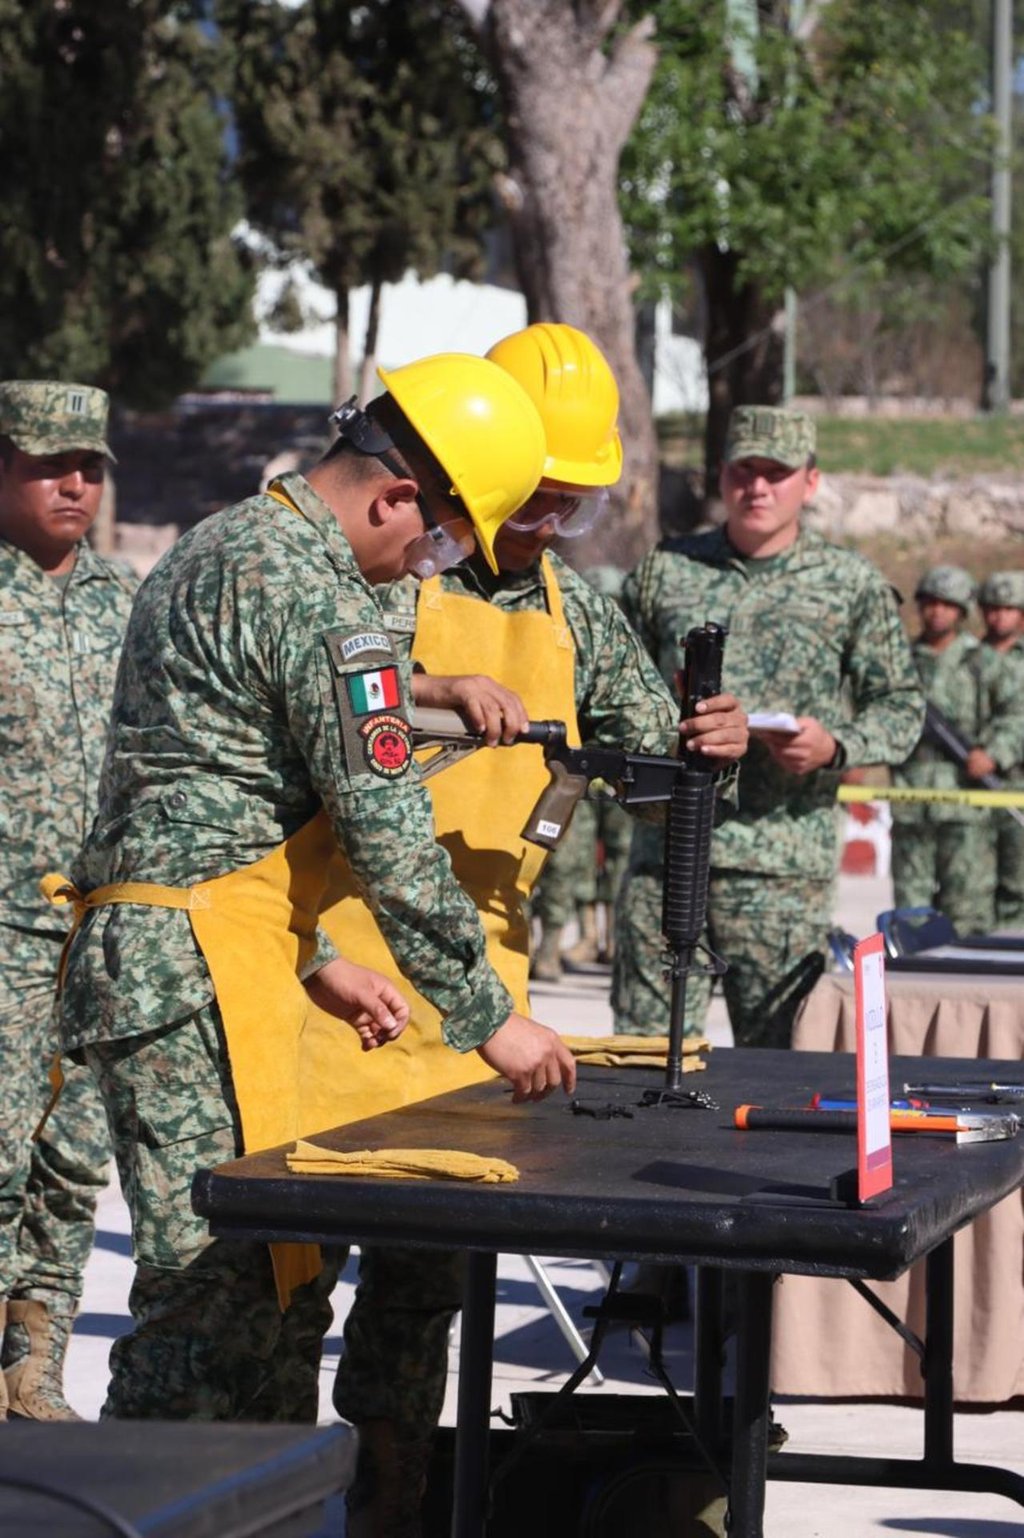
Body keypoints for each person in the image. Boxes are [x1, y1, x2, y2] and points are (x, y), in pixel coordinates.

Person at [54, 353, 579, 1426]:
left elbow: (198, 791)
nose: (421, 569)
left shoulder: (220, 543)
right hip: (192, 970)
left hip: (192, 949)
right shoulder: (325, 600)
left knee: (271, 1298)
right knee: (213, 1298)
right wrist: (491, 1019)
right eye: (434, 540)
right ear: (395, 494)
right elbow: (386, 828)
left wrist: (312, 957)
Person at [309, 323, 747, 1536]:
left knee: (422, 1289)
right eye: (533, 500)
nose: (544, 525)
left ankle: (387, 1502)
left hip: (479, 994)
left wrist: (704, 748)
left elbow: (659, 765)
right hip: (332, 967)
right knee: (275, 1272)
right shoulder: (377, 574)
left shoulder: (576, 612)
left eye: (566, 508)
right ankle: (250, 1490)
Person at [613, 405, 924, 1048]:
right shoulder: (664, 571)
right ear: (720, 476)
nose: (757, 488)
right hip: (667, 857)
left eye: (776, 473)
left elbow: (899, 707)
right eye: (742, 471)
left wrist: (835, 746)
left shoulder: (850, 585)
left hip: (781, 872)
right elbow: (609, 694)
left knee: (783, 1066)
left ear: (810, 482)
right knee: (643, 1058)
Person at [0, 381, 136, 1422]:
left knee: (71, 1163)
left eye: (88, 464)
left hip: (99, 929)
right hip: (1, 928)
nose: (76, 483)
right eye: (52, 464)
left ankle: (34, 1374)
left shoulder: (126, 597)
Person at [891, 566, 1024, 935]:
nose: (937, 612)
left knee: (967, 911)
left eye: (947, 605)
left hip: (967, 805)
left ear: (962, 611)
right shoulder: (900, 664)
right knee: (910, 911)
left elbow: (1017, 714)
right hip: (911, 800)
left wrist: (993, 753)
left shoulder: (985, 662)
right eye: (929, 603)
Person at [530, 566, 633, 979]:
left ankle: (596, 940)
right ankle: (551, 943)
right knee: (554, 855)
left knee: (611, 859)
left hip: (605, 771)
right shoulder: (562, 632)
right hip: (566, 766)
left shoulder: (618, 642)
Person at [978, 572, 1024, 927]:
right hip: (970, 788)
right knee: (971, 889)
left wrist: (998, 753)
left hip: (1016, 785)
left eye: (1008, 609)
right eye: (992, 608)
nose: (999, 617)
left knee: (1017, 885)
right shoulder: (968, 658)